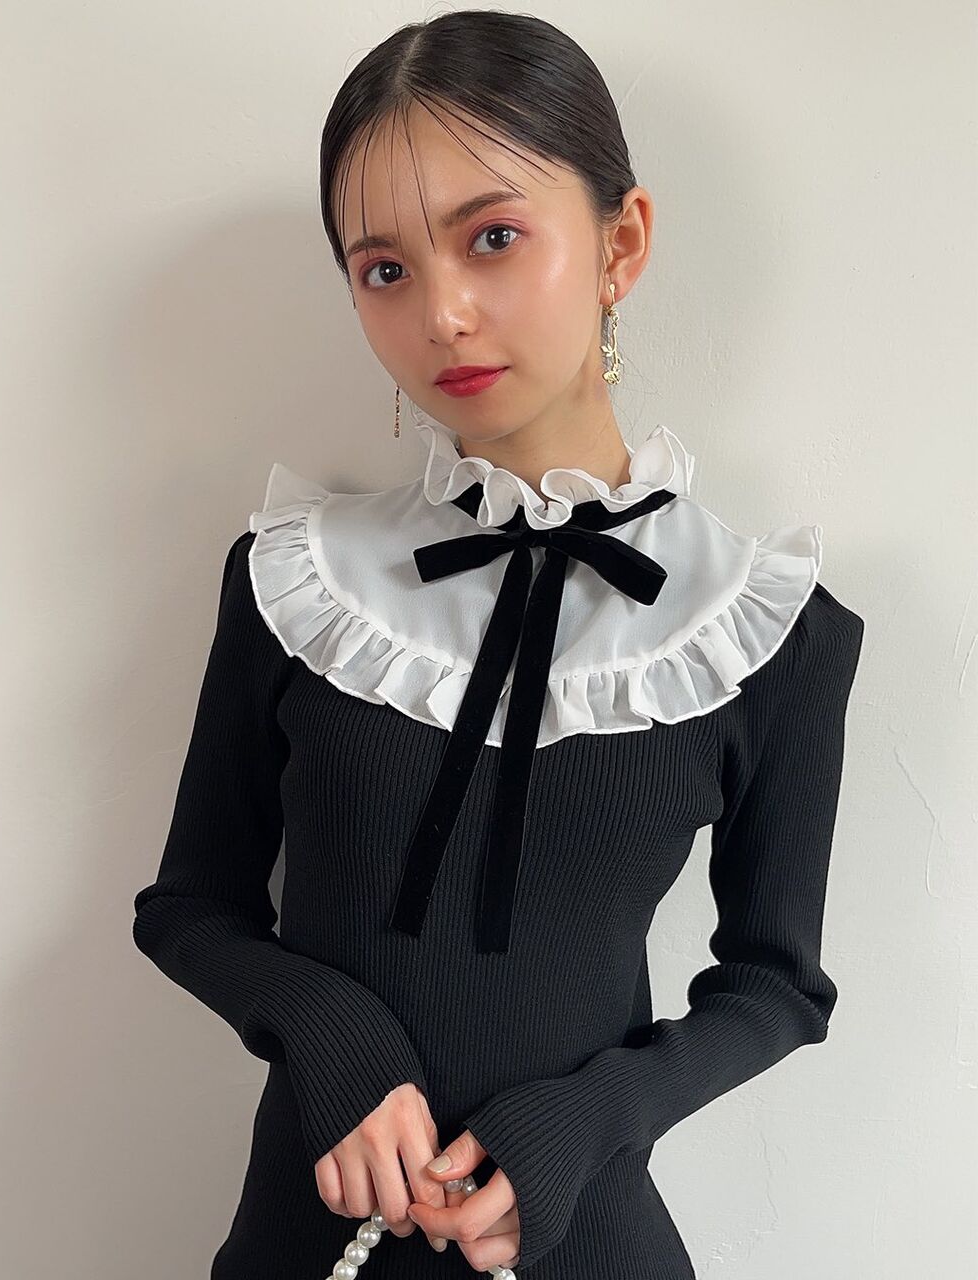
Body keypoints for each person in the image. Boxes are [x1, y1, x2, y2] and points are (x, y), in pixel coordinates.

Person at [131, 11, 865, 1278]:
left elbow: (775, 983)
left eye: (492, 238)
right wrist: (324, 1027)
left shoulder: (766, 629)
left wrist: (589, 1117)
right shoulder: (293, 581)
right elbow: (189, 906)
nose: (444, 314)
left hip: (590, 1243)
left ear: (620, 242)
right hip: (304, 1241)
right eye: (384, 269)